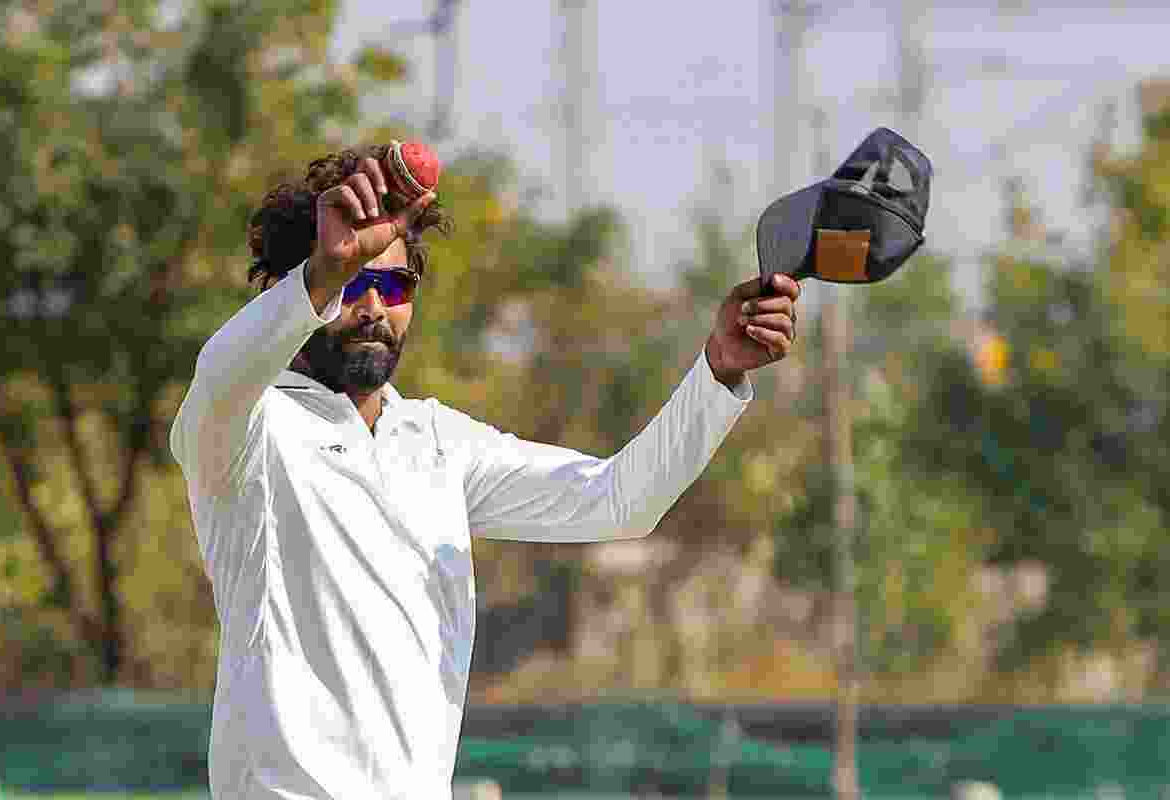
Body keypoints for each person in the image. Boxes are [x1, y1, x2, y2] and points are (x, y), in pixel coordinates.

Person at [168, 143, 801, 798]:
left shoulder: (440, 443)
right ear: (291, 289)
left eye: (393, 284)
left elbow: (619, 502)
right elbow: (219, 375)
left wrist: (719, 370)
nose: (373, 306)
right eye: (352, 281)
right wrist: (322, 274)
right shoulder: (247, 431)